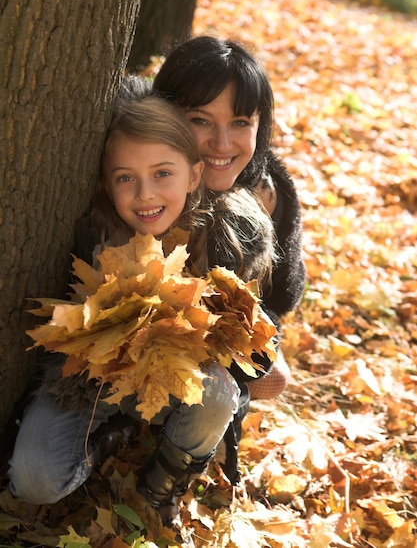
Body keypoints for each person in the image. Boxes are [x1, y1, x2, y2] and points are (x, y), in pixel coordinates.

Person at [8, 89, 279, 544]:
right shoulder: (91, 232)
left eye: (162, 174)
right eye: (125, 178)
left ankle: (162, 483)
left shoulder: (220, 237)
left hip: (178, 371)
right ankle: (108, 439)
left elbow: (249, 335)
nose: (146, 194)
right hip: (91, 376)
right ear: (104, 184)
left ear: (194, 175)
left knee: (216, 393)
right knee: (35, 482)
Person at [153, 35, 305, 401]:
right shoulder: (140, 174)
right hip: (144, 332)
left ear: (259, 124)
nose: (222, 144)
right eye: (201, 120)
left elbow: (281, 297)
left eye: (240, 122)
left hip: (216, 343)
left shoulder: (269, 192)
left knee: (273, 379)